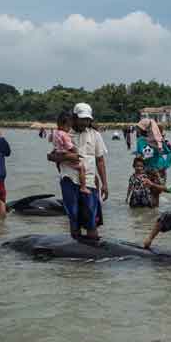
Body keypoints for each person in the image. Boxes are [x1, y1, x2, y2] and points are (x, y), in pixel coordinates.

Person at [48, 103, 108, 240]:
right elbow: (51, 156)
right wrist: (68, 156)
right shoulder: (64, 133)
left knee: (91, 221)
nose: (85, 122)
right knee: (73, 218)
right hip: (69, 179)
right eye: (82, 119)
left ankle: (93, 252)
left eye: (87, 119)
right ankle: (75, 255)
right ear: (74, 117)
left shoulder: (95, 135)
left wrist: (105, 184)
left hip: (89, 182)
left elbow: (100, 160)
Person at [51, 111, 89, 195]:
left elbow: (51, 140)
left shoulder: (54, 132)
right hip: (65, 153)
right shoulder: (64, 134)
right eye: (68, 126)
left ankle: (61, 173)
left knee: (60, 165)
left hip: (57, 152)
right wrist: (76, 151)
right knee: (81, 168)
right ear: (63, 125)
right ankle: (83, 187)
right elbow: (69, 146)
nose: (69, 129)